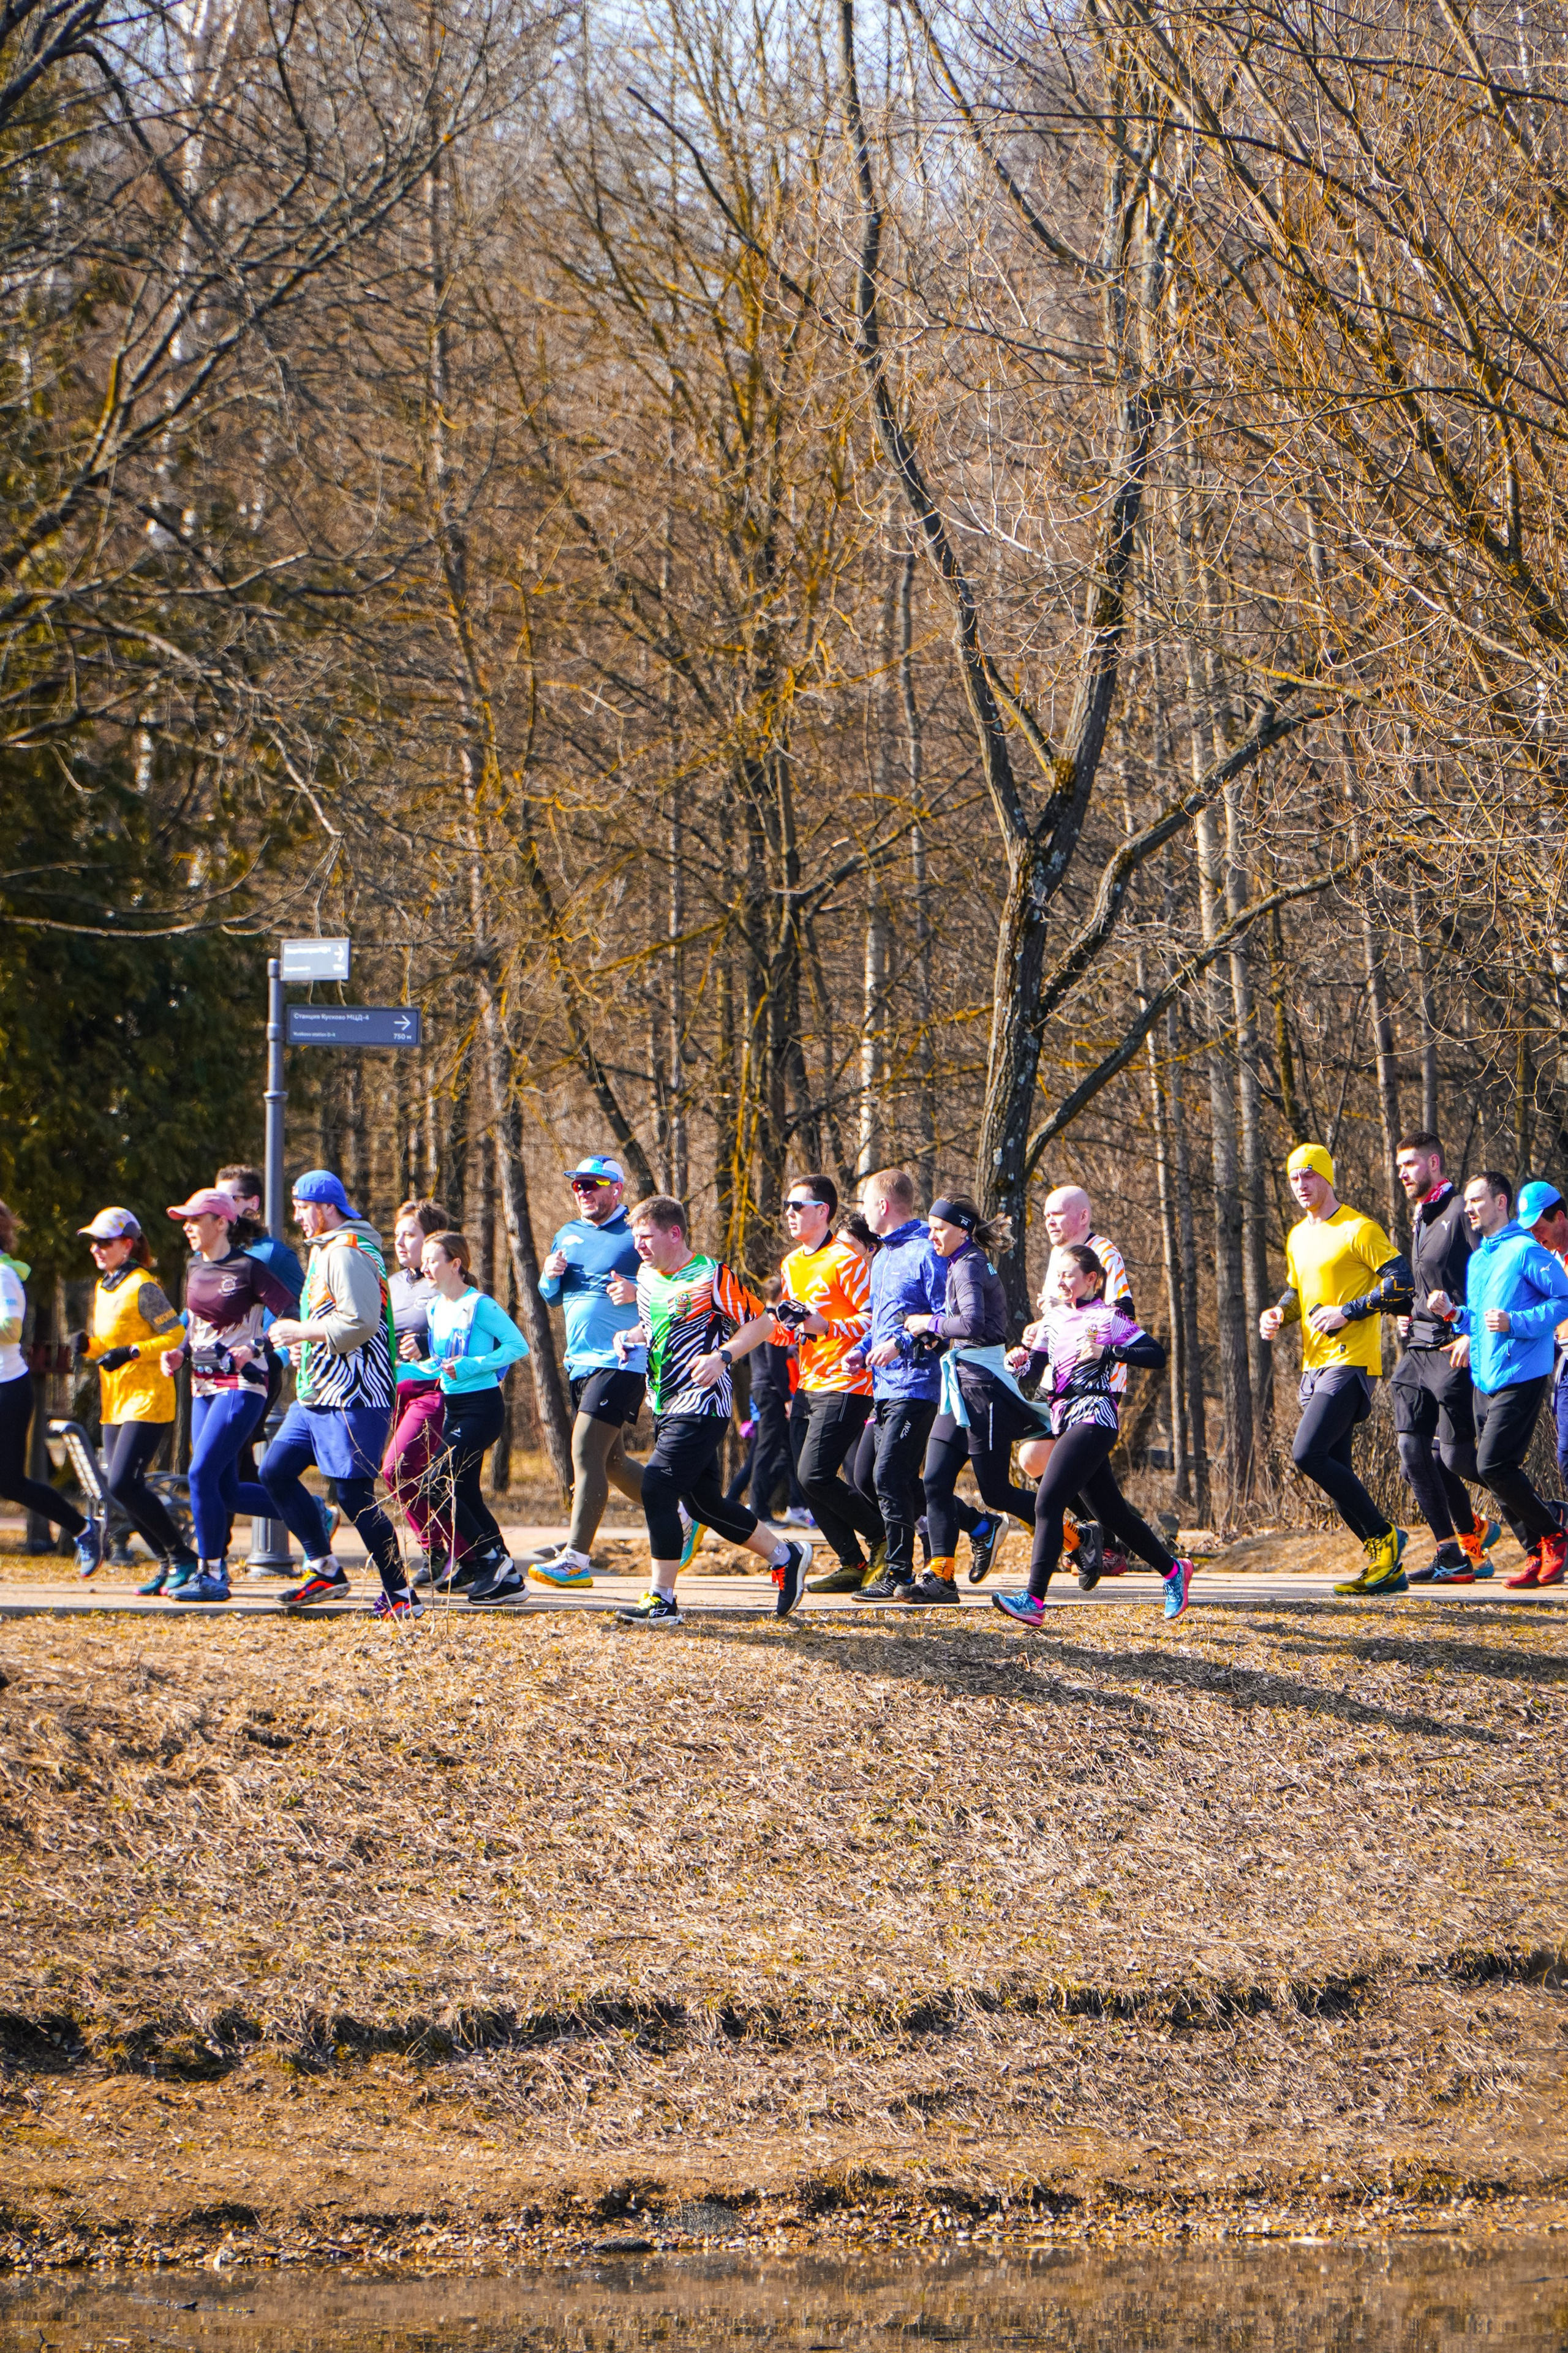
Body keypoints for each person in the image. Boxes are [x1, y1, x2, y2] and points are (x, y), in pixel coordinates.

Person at [612, 1194, 813, 1627]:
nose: (639, 1246)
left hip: (703, 1402)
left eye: (646, 1237)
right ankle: (785, 1554)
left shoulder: (712, 1276)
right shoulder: (647, 1275)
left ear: (674, 1233)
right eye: (636, 1238)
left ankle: (662, 1599)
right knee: (703, 1504)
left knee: (657, 1490)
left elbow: (762, 1322)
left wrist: (722, 1355)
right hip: (664, 1403)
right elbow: (657, 1325)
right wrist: (630, 1335)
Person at [992, 1244, 1196, 1627]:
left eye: (1070, 1274)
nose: (1062, 1281)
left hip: (1096, 1415)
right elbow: (1034, 1365)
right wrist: (1017, 1362)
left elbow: (1155, 1354)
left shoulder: (1109, 1318)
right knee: (1111, 1514)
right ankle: (1173, 1572)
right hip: (1064, 1417)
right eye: (1060, 1275)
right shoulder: (1051, 1321)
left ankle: (1034, 1599)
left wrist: (1110, 1351)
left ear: (1092, 1280)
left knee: (1048, 1502)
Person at [255, 1169, 415, 1620]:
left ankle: (401, 1594)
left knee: (353, 1495)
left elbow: (360, 1322)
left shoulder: (346, 1253)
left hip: (355, 1396)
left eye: (303, 1207)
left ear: (326, 1206)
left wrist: (300, 1330)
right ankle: (324, 1567)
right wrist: (301, 1346)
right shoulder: (327, 1249)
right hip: (316, 1395)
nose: (298, 1216)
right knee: (276, 1470)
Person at [1259, 1143, 1413, 1598]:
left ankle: (1386, 1537)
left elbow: (1401, 1283)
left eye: (1309, 1175)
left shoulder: (1358, 1228)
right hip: (1313, 1364)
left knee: (1307, 1453)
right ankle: (1386, 1566)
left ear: (1327, 1177)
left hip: (1351, 1361)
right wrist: (1279, 1313)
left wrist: (1350, 1310)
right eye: (1293, 1178)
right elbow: (1296, 1292)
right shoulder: (1297, 1236)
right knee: (1335, 1465)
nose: (1301, 1185)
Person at [849, 1168, 993, 1603]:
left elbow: (941, 1317)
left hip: (919, 1384)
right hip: (884, 1387)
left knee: (890, 1475)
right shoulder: (882, 1256)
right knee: (868, 1478)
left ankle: (899, 1573)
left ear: (882, 1206)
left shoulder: (923, 1251)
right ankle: (978, 1524)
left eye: (863, 1204)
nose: (861, 1212)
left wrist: (900, 1343)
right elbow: (879, 1318)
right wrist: (862, 1347)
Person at [902, 1196, 1050, 1606]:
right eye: (930, 1227)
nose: (932, 1235)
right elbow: (967, 1329)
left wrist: (928, 1322)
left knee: (997, 1492)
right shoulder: (960, 1261)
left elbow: (971, 1323)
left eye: (939, 1228)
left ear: (963, 1230)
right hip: (959, 1385)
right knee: (934, 1479)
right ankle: (941, 1575)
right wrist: (938, 1338)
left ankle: (1076, 1537)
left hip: (982, 1390)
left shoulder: (967, 1265)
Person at [153, 1190, 298, 1603]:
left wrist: (257, 1349)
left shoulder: (250, 1269)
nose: (187, 1227)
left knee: (200, 1474)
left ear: (221, 1222)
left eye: (194, 1219)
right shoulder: (195, 1267)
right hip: (201, 1385)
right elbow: (194, 1324)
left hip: (242, 1385)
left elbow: (291, 1316)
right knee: (225, 1487)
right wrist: (178, 1352)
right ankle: (313, 1514)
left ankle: (211, 1572)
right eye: (184, 1220)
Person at [1428, 1171, 1568, 1590]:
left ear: (1501, 1202)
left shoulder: (1526, 1250)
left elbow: (1562, 1300)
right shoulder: (1480, 1259)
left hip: (1522, 1372)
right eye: (1466, 1202)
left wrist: (1517, 1322)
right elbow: (1484, 1320)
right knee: (1491, 1470)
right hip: (1484, 1376)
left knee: (1493, 1464)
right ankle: (1534, 1550)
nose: (1468, 1208)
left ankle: (1555, 1535)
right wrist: (1455, 1314)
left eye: (1476, 1200)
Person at [527, 1155, 650, 1589]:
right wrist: (548, 1275)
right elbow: (552, 1297)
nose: (583, 1191)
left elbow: (672, 1279)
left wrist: (639, 1290)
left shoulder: (636, 1231)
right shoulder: (568, 1234)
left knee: (583, 1449)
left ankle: (576, 1557)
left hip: (622, 1358)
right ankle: (678, 1510)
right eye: (578, 1185)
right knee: (612, 1462)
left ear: (616, 1188)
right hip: (580, 1362)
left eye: (593, 1184)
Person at [398, 1229, 531, 1606]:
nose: (425, 1266)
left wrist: (473, 1364)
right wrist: (404, 1370)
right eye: (423, 1260)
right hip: (453, 1407)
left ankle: (488, 1562)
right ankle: (505, 1572)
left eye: (433, 1260)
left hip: (483, 1407)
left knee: (439, 1480)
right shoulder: (435, 1307)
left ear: (456, 1264)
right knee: (466, 1491)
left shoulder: (480, 1306)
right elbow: (440, 1367)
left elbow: (517, 1346)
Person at [1390, 1133, 1498, 1584]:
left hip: (1454, 1347)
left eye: (1411, 1164)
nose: (1403, 1174)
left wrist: (1474, 1333)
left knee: (1455, 1458)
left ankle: (1545, 1520)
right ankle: (1450, 1552)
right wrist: (1408, 1313)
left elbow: (1486, 1273)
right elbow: (1428, 1279)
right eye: (1400, 1167)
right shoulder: (1422, 1214)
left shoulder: (1460, 1212)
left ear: (1434, 1162)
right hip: (1418, 1347)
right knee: (1411, 1449)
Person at [71, 1208, 197, 1587]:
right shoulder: (103, 1286)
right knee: (119, 1489)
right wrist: (90, 1347)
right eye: (93, 1242)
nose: (96, 1249)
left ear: (127, 1245)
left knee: (125, 1482)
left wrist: (133, 1352)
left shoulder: (144, 1286)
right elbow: (110, 1346)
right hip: (116, 1401)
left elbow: (175, 1336)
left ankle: (183, 1557)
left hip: (149, 1398)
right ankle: (166, 1562)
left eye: (104, 1242)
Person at [1017, 1185, 1136, 1581]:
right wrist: (1039, 1330)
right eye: (1046, 1214)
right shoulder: (1058, 1257)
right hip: (1058, 1380)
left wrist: (1083, 1334)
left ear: (1082, 1216)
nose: (1049, 1220)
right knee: (1041, 1460)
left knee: (1043, 1459)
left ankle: (1103, 1544)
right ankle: (1104, 1542)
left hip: (1095, 1381)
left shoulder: (1104, 1253)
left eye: (1058, 1214)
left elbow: (1123, 1315)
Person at [774, 1174, 884, 1591]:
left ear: (823, 1211)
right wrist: (778, 1328)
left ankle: (883, 1539)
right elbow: (795, 1328)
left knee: (815, 1474)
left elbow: (872, 1319)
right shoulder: (791, 1263)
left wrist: (825, 1325)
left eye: (797, 1206)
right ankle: (852, 1561)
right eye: (786, 1206)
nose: (789, 1213)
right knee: (806, 1479)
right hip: (808, 1382)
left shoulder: (847, 1259)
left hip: (848, 1381)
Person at [213, 1163, 304, 1570]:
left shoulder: (274, 1255)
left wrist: (276, 1356)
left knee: (220, 1464)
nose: (220, 1207)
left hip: (255, 1373)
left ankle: (209, 1558)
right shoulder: (217, 1253)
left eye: (229, 1199)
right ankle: (311, 1515)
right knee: (236, 1469)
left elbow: (298, 1310)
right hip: (214, 1373)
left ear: (252, 1204)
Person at [0, 1199, 95, 1569]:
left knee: (10, 1484)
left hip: (7, 1390)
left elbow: (12, 1329)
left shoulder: (4, 1275)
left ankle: (82, 1529)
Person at [380, 1198, 450, 1583]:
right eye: (397, 1236)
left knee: (397, 1470)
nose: (401, 1243)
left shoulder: (445, 1282)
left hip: (435, 1392)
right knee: (412, 1476)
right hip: (397, 1394)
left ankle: (440, 1550)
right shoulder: (390, 1285)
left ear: (432, 1239)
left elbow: (469, 1335)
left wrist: (428, 1344)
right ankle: (456, 1554)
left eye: (411, 1234)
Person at [1516, 1179, 1568, 1509]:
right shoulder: (1549, 1261)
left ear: (1560, 1217)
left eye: (1540, 1227)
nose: (1536, 1236)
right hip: (1562, 1361)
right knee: (1565, 1453)